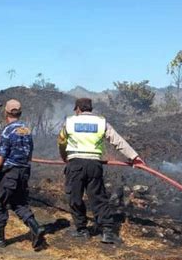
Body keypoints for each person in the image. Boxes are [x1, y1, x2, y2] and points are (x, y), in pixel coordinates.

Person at [57, 98, 146, 244]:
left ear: (78, 109)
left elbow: (61, 142)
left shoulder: (70, 122)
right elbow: (117, 141)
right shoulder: (101, 122)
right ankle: (108, 232)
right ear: (90, 109)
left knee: (75, 197)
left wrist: (64, 157)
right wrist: (134, 157)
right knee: (98, 197)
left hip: (75, 164)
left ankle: (81, 230)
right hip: (94, 164)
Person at [0, 99, 46, 250]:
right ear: (20, 113)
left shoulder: (7, 131)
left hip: (9, 172)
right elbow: (29, 153)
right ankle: (36, 228)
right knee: (19, 202)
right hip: (24, 172)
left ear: (6, 113)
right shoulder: (26, 130)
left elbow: (1, 155)